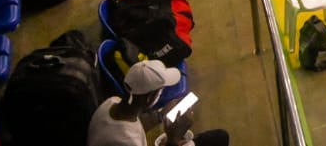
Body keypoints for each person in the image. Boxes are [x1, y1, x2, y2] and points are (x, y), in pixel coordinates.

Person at [87, 57, 231, 146]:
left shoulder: (112, 102)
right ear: (150, 98)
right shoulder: (127, 142)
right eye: (162, 90)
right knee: (220, 138)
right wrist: (173, 140)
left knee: (218, 136)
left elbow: (130, 126)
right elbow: (127, 135)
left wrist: (161, 115)